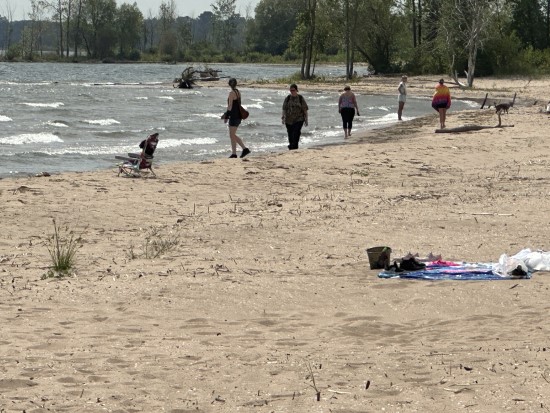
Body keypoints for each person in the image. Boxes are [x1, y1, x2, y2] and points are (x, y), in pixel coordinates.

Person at [221, 78, 250, 158]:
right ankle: (234, 153)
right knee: (232, 135)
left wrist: (226, 116)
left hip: (234, 116)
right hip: (238, 116)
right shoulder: (238, 92)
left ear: (229, 84)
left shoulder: (231, 93)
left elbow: (230, 106)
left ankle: (245, 149)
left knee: (232, 135)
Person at [282, 84, 308, 150]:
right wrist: (283, 117)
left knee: (296, 132)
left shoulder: (300, 98)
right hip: (289, 120)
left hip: (299, 119)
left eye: (293, 90)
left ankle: (295, 146)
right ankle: (291, 146)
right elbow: (284, 109)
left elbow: (305, 109)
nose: (292, 92)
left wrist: (306, 119)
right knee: (290, 133)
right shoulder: (287, 98)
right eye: (290, 90)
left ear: (296, 90)